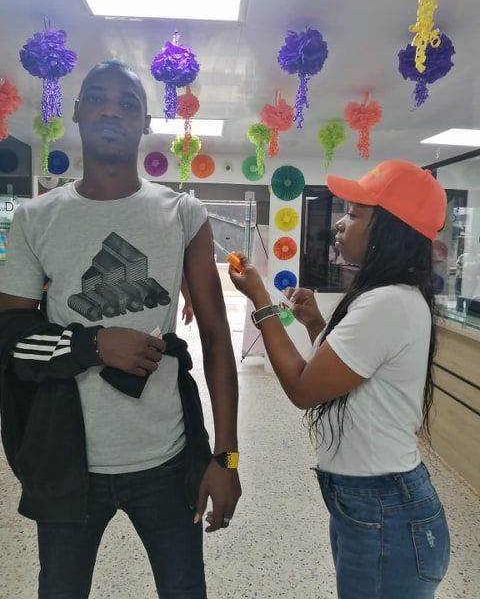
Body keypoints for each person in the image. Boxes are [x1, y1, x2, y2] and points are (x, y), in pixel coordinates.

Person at [0, 60, 241, 599]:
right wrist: (92, 344)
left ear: (146, 122)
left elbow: (216, 337)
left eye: (128, 102)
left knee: (185, 589)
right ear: (77, 110)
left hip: (169, 457)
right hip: (68, 458)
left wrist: (226, 456)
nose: (112, 109)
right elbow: (10, 339)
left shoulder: (182, 213)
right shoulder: (36, 218)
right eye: (98, 97)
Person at [229, 160, 450, 599]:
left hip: (384, 509)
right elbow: (343, 374)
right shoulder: (387, 296)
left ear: (390, 230)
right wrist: (315, 324)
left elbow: (303, 389)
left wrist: (261, 301)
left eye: (353, 214)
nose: (339, 225)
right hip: (371, 502)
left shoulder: (387, 302)